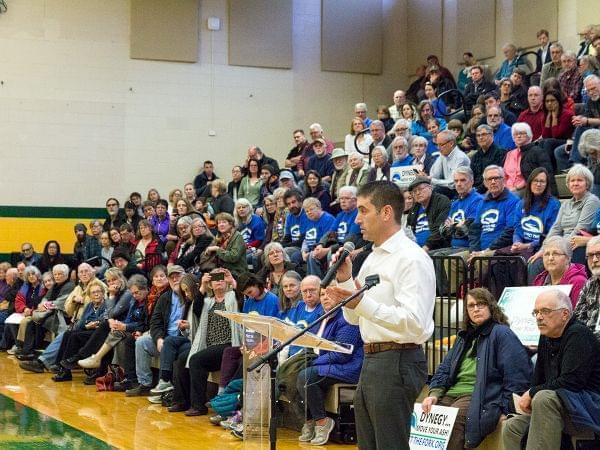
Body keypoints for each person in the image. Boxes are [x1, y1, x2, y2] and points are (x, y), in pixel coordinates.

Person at [325, 180, 435, 450]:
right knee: (369, 444)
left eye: (363, 210)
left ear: (386, 213)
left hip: (398, 357)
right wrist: (346, 281)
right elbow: (354, 319)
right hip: (372, 358)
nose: (357, 218)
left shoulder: (411, 259)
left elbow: (413, 322)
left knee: (390, 444)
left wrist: (361, 302)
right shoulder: (373, 258)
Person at [422, 288, 531, 450]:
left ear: (491, 307)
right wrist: (434, 394)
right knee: (426, 417)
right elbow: (444, 369)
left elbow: (516, 376)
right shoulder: (464, 336)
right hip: (451, 393)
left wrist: (506, 409)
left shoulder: (501, 333)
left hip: (479, 396)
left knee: (454, 419)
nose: (476, 309)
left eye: (481, 304)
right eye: (471, 306)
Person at [502, 289, 600, 450]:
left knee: (543, 397)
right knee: (512, 427)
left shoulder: (579, 334)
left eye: (545, 311)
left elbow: (571, 382)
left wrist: (533, 393)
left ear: (565, 314)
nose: (539, 317)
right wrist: (530, 395)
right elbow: (538, 378)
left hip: (588, 408)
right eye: (536, 312)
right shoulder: (546, 335)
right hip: (561, 406)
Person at [296, 288, 364, 446]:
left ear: (340, 296)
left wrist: (314, 361)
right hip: (331, 362)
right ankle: (310, 420)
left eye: (329, 294)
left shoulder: (347, 318)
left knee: (307, 376)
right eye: (322, 294)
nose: (325, 298)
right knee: (294, 373)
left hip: (350, 366)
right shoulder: (324, 317)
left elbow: (342, 353)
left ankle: (321, 422)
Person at [529, 164, 600, 278]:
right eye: (572, 181)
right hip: (561, 245)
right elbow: (556, 228)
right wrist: (544, 249)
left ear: (587, 183)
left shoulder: (592, 201)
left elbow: (580, 229)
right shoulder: (566, 204)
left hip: (576, 245)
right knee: (535, 263)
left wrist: (559, 249)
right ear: (567, 184)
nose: (575, 183)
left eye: (579, 180)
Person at [532, 236, 587, 308]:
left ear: (568, 258)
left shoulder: (578, 281)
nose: (550, 258)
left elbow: (578, 314)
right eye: (547, 254)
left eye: (556, 254)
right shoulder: (539, 280)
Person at [505, 122, 556, 195]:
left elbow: (547, 173)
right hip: (508, 189)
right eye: (516, 134)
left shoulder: (537, 151)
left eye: (522, 133)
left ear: (529, 136)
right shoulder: (509, 154)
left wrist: (516, 188)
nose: (518, 136)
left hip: (527, 188)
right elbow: (504, 175)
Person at [406, 177, 451, 252]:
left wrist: (426, 247)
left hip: (437, 248)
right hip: (417, 249)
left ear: (430, 188)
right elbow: (410, 230)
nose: (417, 193)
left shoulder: (441, 201)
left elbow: (440, 229)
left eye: (420, 189)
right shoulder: (415, 208)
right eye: (414, 191)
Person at [428, 130, 471, 198]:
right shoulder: (443, 154)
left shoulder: (461, 158)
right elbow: (434, 175)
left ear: (451, 143)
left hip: (459, 192)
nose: (438, 148)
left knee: (437, 191)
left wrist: (431, 180)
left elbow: (453, 184)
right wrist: (427, 178)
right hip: (448, 190)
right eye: (437, 145)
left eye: (441, 145)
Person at [204, 212, 248, 277]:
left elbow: (233, 257)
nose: (221, 225)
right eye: (219, 223)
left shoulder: (237, 236)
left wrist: (217, 249)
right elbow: (208, 253)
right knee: (205, 278)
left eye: (224, 222)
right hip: (220, 270)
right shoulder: (219, 237)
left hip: (235, 272)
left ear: (231, 224)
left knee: (212, 280)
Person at [574, 235, 600, 339]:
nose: (594, 260)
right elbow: (577, 318)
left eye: (599, 254)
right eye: (590, 255)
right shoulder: (590, 284)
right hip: (587, 344)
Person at [470, 125, 506, 193]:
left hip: (491, 188)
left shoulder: (500, 152)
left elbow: (496, 177)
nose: (481, 137)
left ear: (492, 135)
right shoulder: (475, 156)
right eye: (478, 135)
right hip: (475, 190)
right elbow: (471, 177)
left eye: (484, 134)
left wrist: (475, 191)